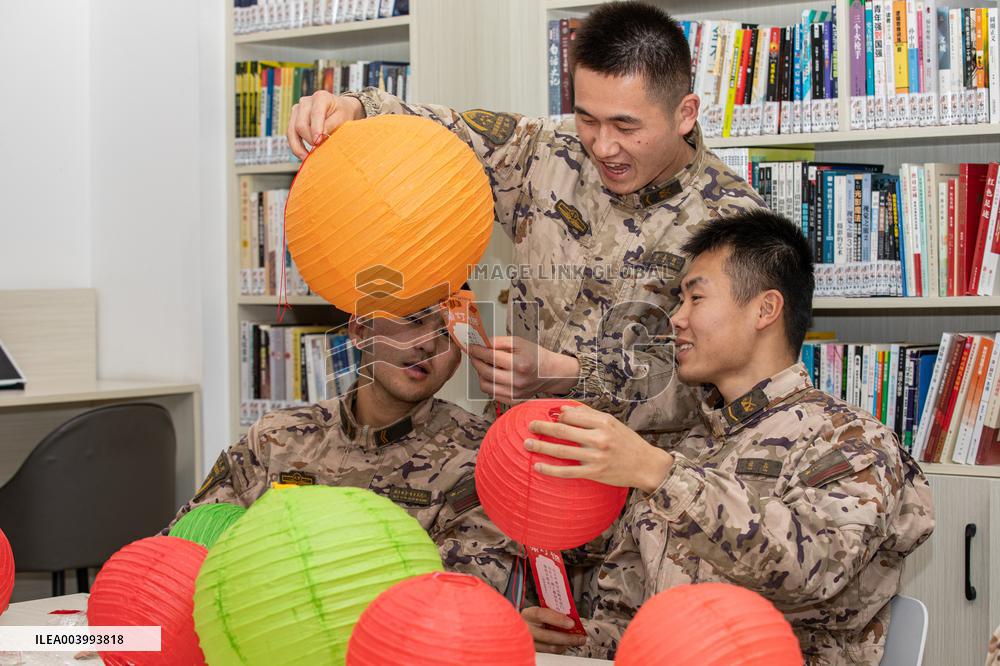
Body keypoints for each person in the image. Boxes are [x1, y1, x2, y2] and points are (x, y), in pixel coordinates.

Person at [286, 1, 764, 442]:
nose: (602, 146)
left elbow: (726, 384)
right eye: (587, 119)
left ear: (685, 114)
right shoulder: (544, 153)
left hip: (652, 497)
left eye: (625, 126)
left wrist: (571, 373)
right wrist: (352, 109)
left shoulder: (735, 220)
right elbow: (439, 133)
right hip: (523, 464)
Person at [518, 210, 935, 664]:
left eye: (695, 298)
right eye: (680, 301)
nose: (676, 319)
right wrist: (574, 642)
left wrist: (660, 474)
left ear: (765, 309)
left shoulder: (852, 441)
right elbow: (630, 624)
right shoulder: (689, 446)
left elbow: (811, 573)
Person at [166, 305, 516, 594]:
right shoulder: (278, 439)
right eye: (412, 319)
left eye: (447, 334)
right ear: (360, 330)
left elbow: (462, 596)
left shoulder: (480, 455)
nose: (428, 344)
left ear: (457, 361)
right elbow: (184, 548)